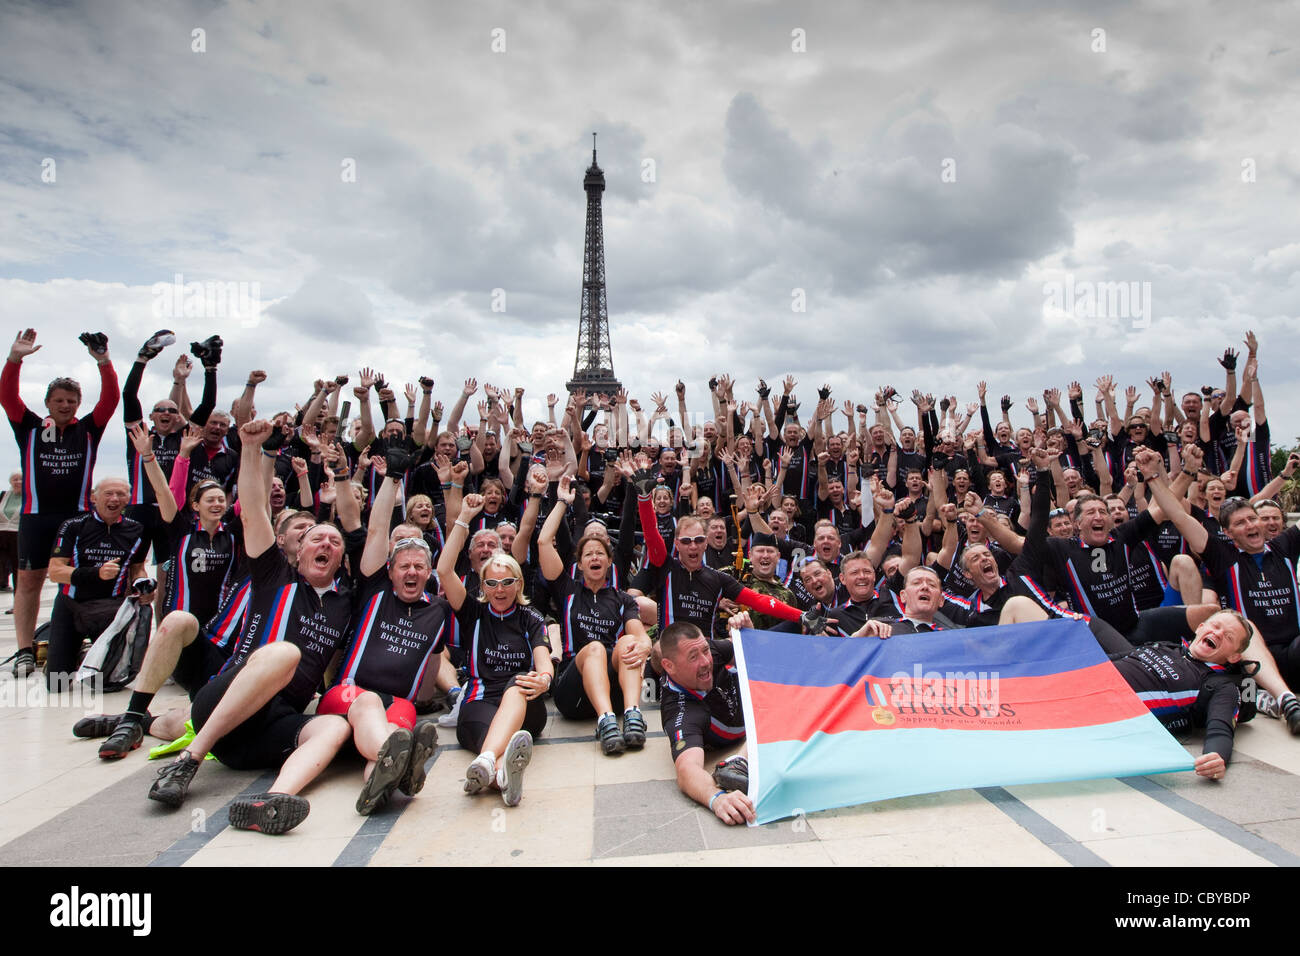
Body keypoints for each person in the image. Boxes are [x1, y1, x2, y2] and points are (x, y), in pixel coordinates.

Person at [145, 418, 363, 835]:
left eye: (334, 544)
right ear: (296, 552)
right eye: (317, 538)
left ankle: (275, 800)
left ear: (339, 561)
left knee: (334, 726)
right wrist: (250, 449)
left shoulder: (345, 601)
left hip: (265, 733)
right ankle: (188, 762)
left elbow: (335, 664)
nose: (327, 545)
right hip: (224, 701)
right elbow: (253, 512)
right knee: (285, 652)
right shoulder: (273, 576)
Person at [317, 450, 447, 814]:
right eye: (403, 565)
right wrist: (393, 477)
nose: (410, 572)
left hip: (399, 705)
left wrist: (426, 698)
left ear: (428, 573)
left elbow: (432, 661)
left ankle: (377, 789)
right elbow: (375, 530)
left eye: (419, 567)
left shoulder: (437, 609)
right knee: (381, 720)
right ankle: (398, 765)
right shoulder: (374, 589)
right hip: (347, 695)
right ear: (389, 570)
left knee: (398, 738)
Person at [2, 329, 119, 676]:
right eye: (59, 400)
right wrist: (14, 359)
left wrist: (104, 362)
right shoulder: (29, 428)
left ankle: (70, 640)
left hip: (77, 518)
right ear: (48, 403)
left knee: (75, 581)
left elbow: (110, 401)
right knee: (28, 582)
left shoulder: (88, 430)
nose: (65, 405)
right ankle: (25, 650)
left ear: (77, 405)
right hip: (36, 518)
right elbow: (7, 397)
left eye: (71, 400)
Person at [436, 493, 553, 807]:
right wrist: (463, 519)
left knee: (518, 683)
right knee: (495, 738)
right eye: (492, 583)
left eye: (507, 582)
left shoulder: (531, 617)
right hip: (480, 702)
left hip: (527, 704)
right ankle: (499, 773)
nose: (499, 590)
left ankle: (486, 760)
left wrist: (544, 680)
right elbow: (444, 570)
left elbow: (543, 660)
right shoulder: (473, 612)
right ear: (482, 586)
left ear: (518, 584)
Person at [538, 475, 652, 755]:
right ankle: (605, 721)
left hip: (613, 690)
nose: (594, 558)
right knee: (595, 648)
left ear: (609, 561)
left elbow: (639, 635)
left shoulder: (623, 598)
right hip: (572, 693)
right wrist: (563, 502)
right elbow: (543, 542)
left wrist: (645, 644)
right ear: (579, 563)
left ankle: (632, 713)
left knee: (627, 643)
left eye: (600, 553)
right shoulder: (567, 589)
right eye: (587, 554)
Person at [43, 477, 152, 689]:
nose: (114, 499)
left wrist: (143, 585)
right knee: (58, 684)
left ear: (128, 499)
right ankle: (76, 654)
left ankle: (91, 653)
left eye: (121, 494)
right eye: (108, 493)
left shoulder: (137, 529)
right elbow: (55, 571)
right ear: (94, 497)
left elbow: (137, 568)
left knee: (108, 685)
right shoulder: (73, 526)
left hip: (110, 608)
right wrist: (97, 574)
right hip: (71, 604)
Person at [659, 621, 755, 826]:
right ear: (669, 666)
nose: (705, 662)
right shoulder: (680, 710)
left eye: (705, 651)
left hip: (758, 696)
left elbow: (752, 654)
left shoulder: (710, 650)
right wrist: (717, 798)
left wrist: (748, 631)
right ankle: (741, 759)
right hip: (759, 719)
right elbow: (687, 770)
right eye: (693, 657)